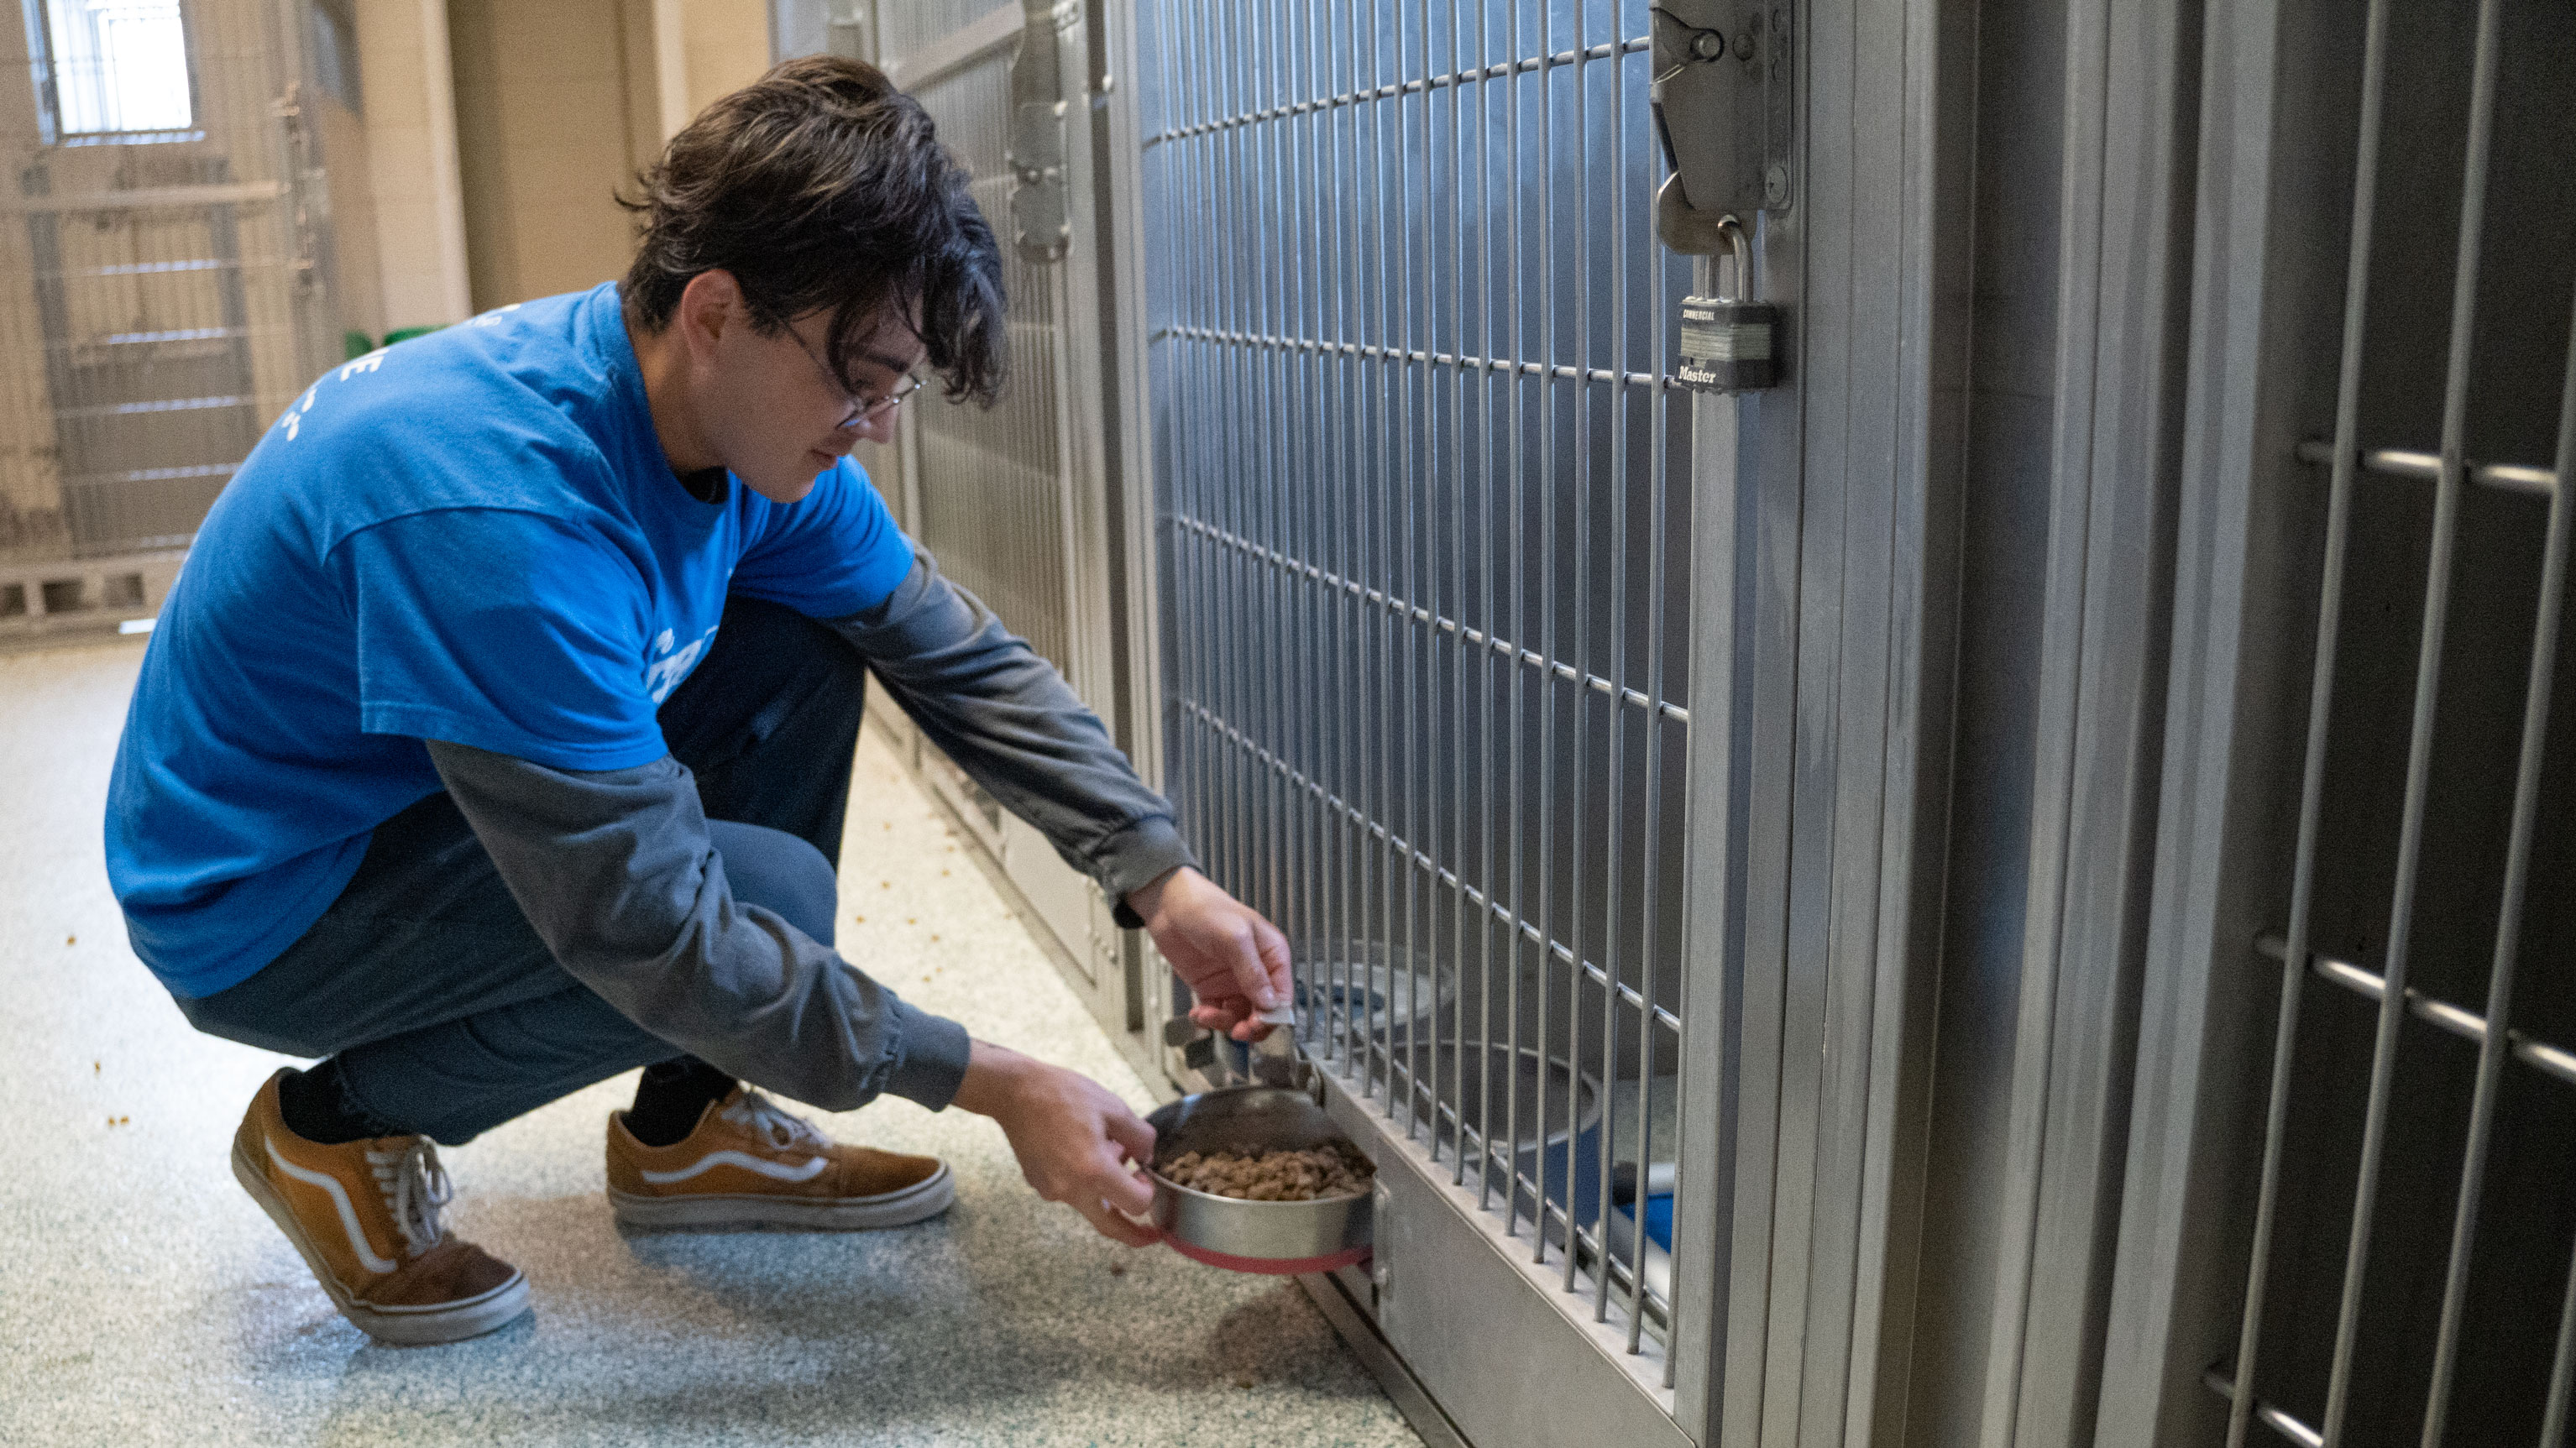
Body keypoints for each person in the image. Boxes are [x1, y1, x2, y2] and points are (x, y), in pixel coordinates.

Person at [103, 55, 1291, 1346]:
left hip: (403, 794)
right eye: (862, 375)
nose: (878, 424)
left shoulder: (712, 412)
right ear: (718, 310)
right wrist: (990, 1082)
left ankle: (690, 1128)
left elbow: (948, 648)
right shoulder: (506, 517)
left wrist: (1158, 873)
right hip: (264, 896)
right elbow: (651, 925)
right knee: (756, 901)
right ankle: (332, 1129)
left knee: (809, 635)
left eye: (897, 385)